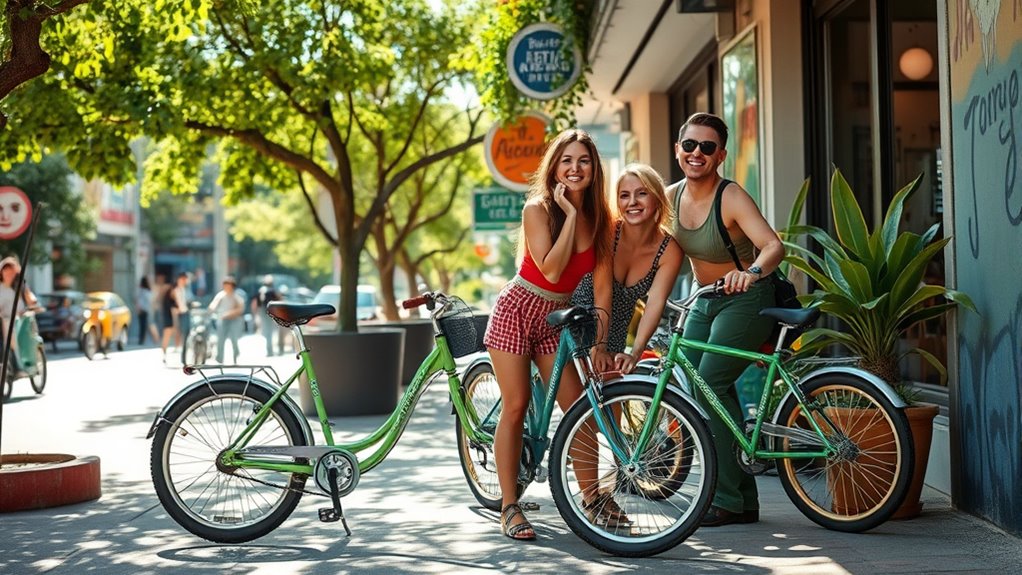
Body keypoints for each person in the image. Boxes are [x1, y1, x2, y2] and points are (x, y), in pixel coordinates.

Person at [483, 128, 614, 540]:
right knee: (518, 405)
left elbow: (605, 286)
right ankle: (510, 506)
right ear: (554, 166)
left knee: (578, 408)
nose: (575, 169)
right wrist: (570, 216)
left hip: (555, 317)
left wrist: (603, 344)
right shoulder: (538, 210)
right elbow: (553, 270)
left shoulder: (603, 219)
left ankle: (592, 498)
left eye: (584, 161)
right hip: (518, 309)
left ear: (594, 169)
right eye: (567, 161)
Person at [667, 112, 784, 527]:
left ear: (720, 156)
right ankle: (744, 500)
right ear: (678, 150)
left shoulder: (730, 196)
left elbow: (772, 246)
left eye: (707, 147)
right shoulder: (669, 198)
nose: (696, 153)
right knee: (696, 385)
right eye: (689, 145)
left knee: (709, 383)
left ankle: (727, 499)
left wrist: (749, 273)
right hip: (705, 299)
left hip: (748, 298)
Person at [572, 163, 683, 374]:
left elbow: (655, 304)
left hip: (614, 334)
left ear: (658, 197)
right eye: (624, 195)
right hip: (573, 322)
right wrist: (599, 346)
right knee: (576, 403)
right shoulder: (607, 232)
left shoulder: (670, 250)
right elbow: (603, 292)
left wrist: (635, 352)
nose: (632, 202)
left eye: (642, 193)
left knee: (609, 405)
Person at [209, 276, 244, 363]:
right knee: (220, 339)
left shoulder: (236, 296)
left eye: (228, 285)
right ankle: (219, 358)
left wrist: (230, 313)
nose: (226, 287)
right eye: (225, 285)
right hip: (222, 319)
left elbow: (240, 309)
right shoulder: (221, 295)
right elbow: (213, 304)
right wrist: (211, 309)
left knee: (234, 339)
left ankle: (236, 354)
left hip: (234, 320)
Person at [251, 275, 281, 356]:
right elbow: (280, 300)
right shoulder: (272, 291)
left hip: (266, 312)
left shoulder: (262, 290)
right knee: (268, 332)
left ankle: (270, 350)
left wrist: (255, 313)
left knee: (268, 332)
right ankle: (270, 350)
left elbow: (256, 304)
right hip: (269, 312)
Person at [137, 276, 152, 345]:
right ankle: (141, 340)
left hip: (145, 310)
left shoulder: (145, 290)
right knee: (143, 326)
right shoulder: (143, 290)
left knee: (143, 326)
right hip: (143, 310)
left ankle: (142, 339)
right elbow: (139, 301)